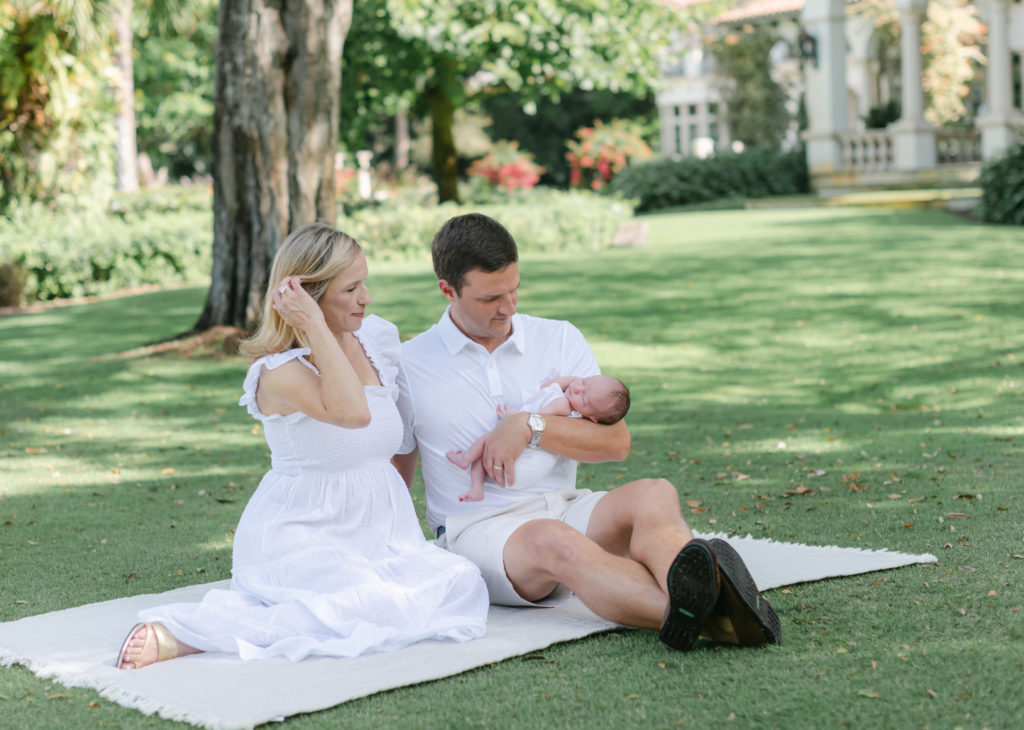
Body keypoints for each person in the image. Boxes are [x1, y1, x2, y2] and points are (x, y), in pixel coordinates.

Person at [396, 213, 780, 651]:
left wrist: (529, 425)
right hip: (478, 531)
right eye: (491, 298)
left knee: (654, 493)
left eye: (514, 288)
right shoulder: (408, 364)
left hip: (567, 507)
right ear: (448, 289)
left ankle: (697, 596)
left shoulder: (558, 338)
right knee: (554, 541)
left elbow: (616, 443)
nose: (509, 307)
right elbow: (394, 475)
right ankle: (725, 619)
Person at [116, 222, 488, 670]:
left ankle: (294, 613)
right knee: (359, 601)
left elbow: (390, 440)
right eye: (350, 289)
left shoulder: (378, 339)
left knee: (461, 583)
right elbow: (354, 413)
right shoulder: (278, 372)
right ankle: (190, 632)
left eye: (364, 282)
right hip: (302, 533)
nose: (366, 298)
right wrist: (314, 327)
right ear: (308, 296)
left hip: (377, 533)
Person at [447, 374, 630, 502]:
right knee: (489, 448)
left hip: (525, 464)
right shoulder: (571, 405)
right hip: (523, 472)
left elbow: (533, 418)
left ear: (592, 418)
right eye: (585, 381)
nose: (577, 389)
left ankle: (465, 459)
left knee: (489, 439)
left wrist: (511, 416)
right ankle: (477, 489)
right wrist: (575, 380)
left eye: (584, 398)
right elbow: (550, 386)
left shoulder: (562, 405)